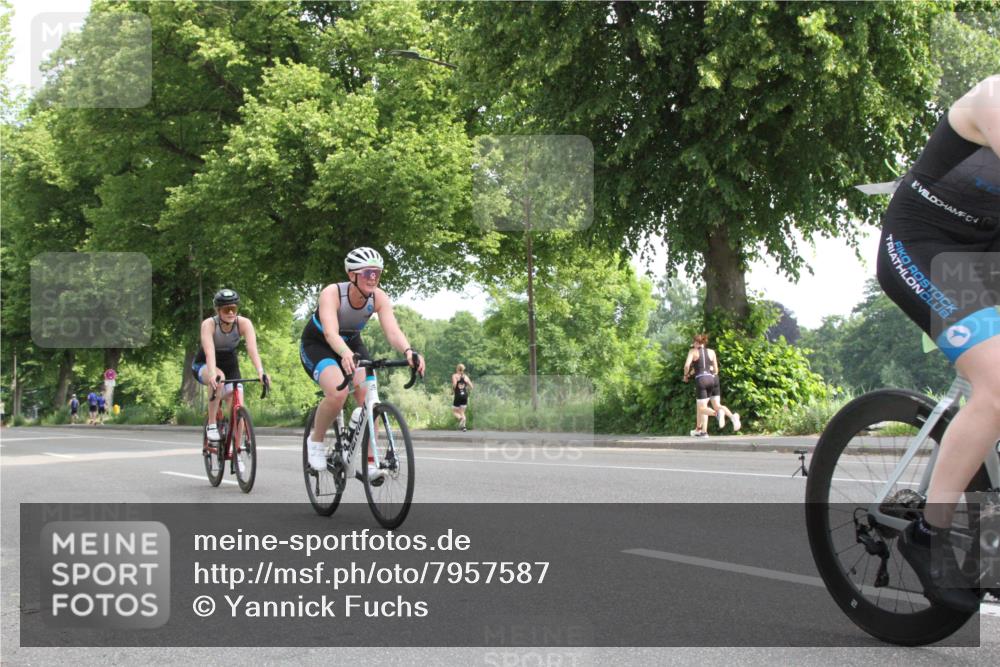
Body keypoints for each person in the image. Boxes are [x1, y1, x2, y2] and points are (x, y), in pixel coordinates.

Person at [875, 75, 1000, 613]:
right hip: (925, 245)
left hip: (987, 251)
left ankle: (990, 542)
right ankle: (930, 532)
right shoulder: (994, 97)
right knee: (996, 386)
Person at [300, 247, 425, 477]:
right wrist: (345, 353)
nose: (373, 277)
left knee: (369, 395)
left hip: (351, 343)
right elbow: (330, 333)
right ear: (352, 275)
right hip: (318, 344)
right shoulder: (333, 293)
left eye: (377, 272)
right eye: (367, 272)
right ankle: (315, 441)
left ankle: (370, 463)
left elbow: (392, 331)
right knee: (338, 394)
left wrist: (408, 350)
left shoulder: (379, 297)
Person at [192, 289, 268, 443]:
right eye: (227, 309)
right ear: (218, 310)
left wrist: (261, 372)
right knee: (219, 379)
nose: (231, 312)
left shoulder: (244, 323)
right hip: (205, 364)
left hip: (230, 364)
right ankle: (212, 424)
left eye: (234, 308)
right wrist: (213, 373)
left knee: (237, 404)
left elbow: (252, 349)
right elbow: (210, 353)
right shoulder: (209, 324)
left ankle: (236, 451)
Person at [682, 334, 740, 437]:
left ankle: (715, 417)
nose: (693, 345)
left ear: (696, 343)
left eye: (694, 343)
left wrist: (686, 375)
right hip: (713, 379)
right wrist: (693, 373)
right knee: (716, 405)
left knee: (702, 408)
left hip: (702, 380)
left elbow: (687, 366)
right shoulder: (711, 352)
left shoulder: (693, 351)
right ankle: (732, 417)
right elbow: (716, 370)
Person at [451, 363, 473, 431]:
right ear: (463, 369)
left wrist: (452, 391)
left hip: (458, 395)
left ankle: (460, 418)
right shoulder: (466, 377)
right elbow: (471, 386)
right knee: (462, 412)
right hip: (465, 395)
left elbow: (454, 385)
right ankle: (464, 427)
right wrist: (466, 390)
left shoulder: (455, 376)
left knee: (454, 411)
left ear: (457, 369)